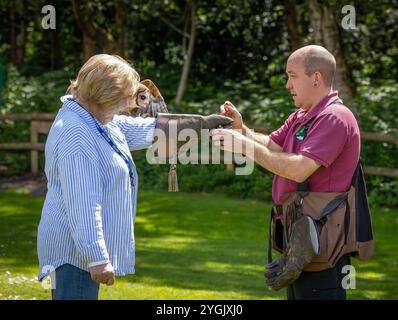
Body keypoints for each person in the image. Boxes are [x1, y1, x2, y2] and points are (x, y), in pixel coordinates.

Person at [37, 54, 231, 300]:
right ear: (106, 95)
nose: (128, 107)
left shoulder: (98, 120)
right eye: (125, 99)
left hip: (78, 251)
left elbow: (148, 129)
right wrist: (96, 257)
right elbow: (83, 203)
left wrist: (205, 124)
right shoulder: (77, 134)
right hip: (73, 254)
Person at [212, 45, 362, 300]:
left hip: (323, 245)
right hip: (300, 241)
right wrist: (242, 130)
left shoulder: (334, 117)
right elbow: (272, 145)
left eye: (292, 76)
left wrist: (244, 146)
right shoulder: (302, 116)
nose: (287, 84)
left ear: (316, 77)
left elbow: (298, 169)